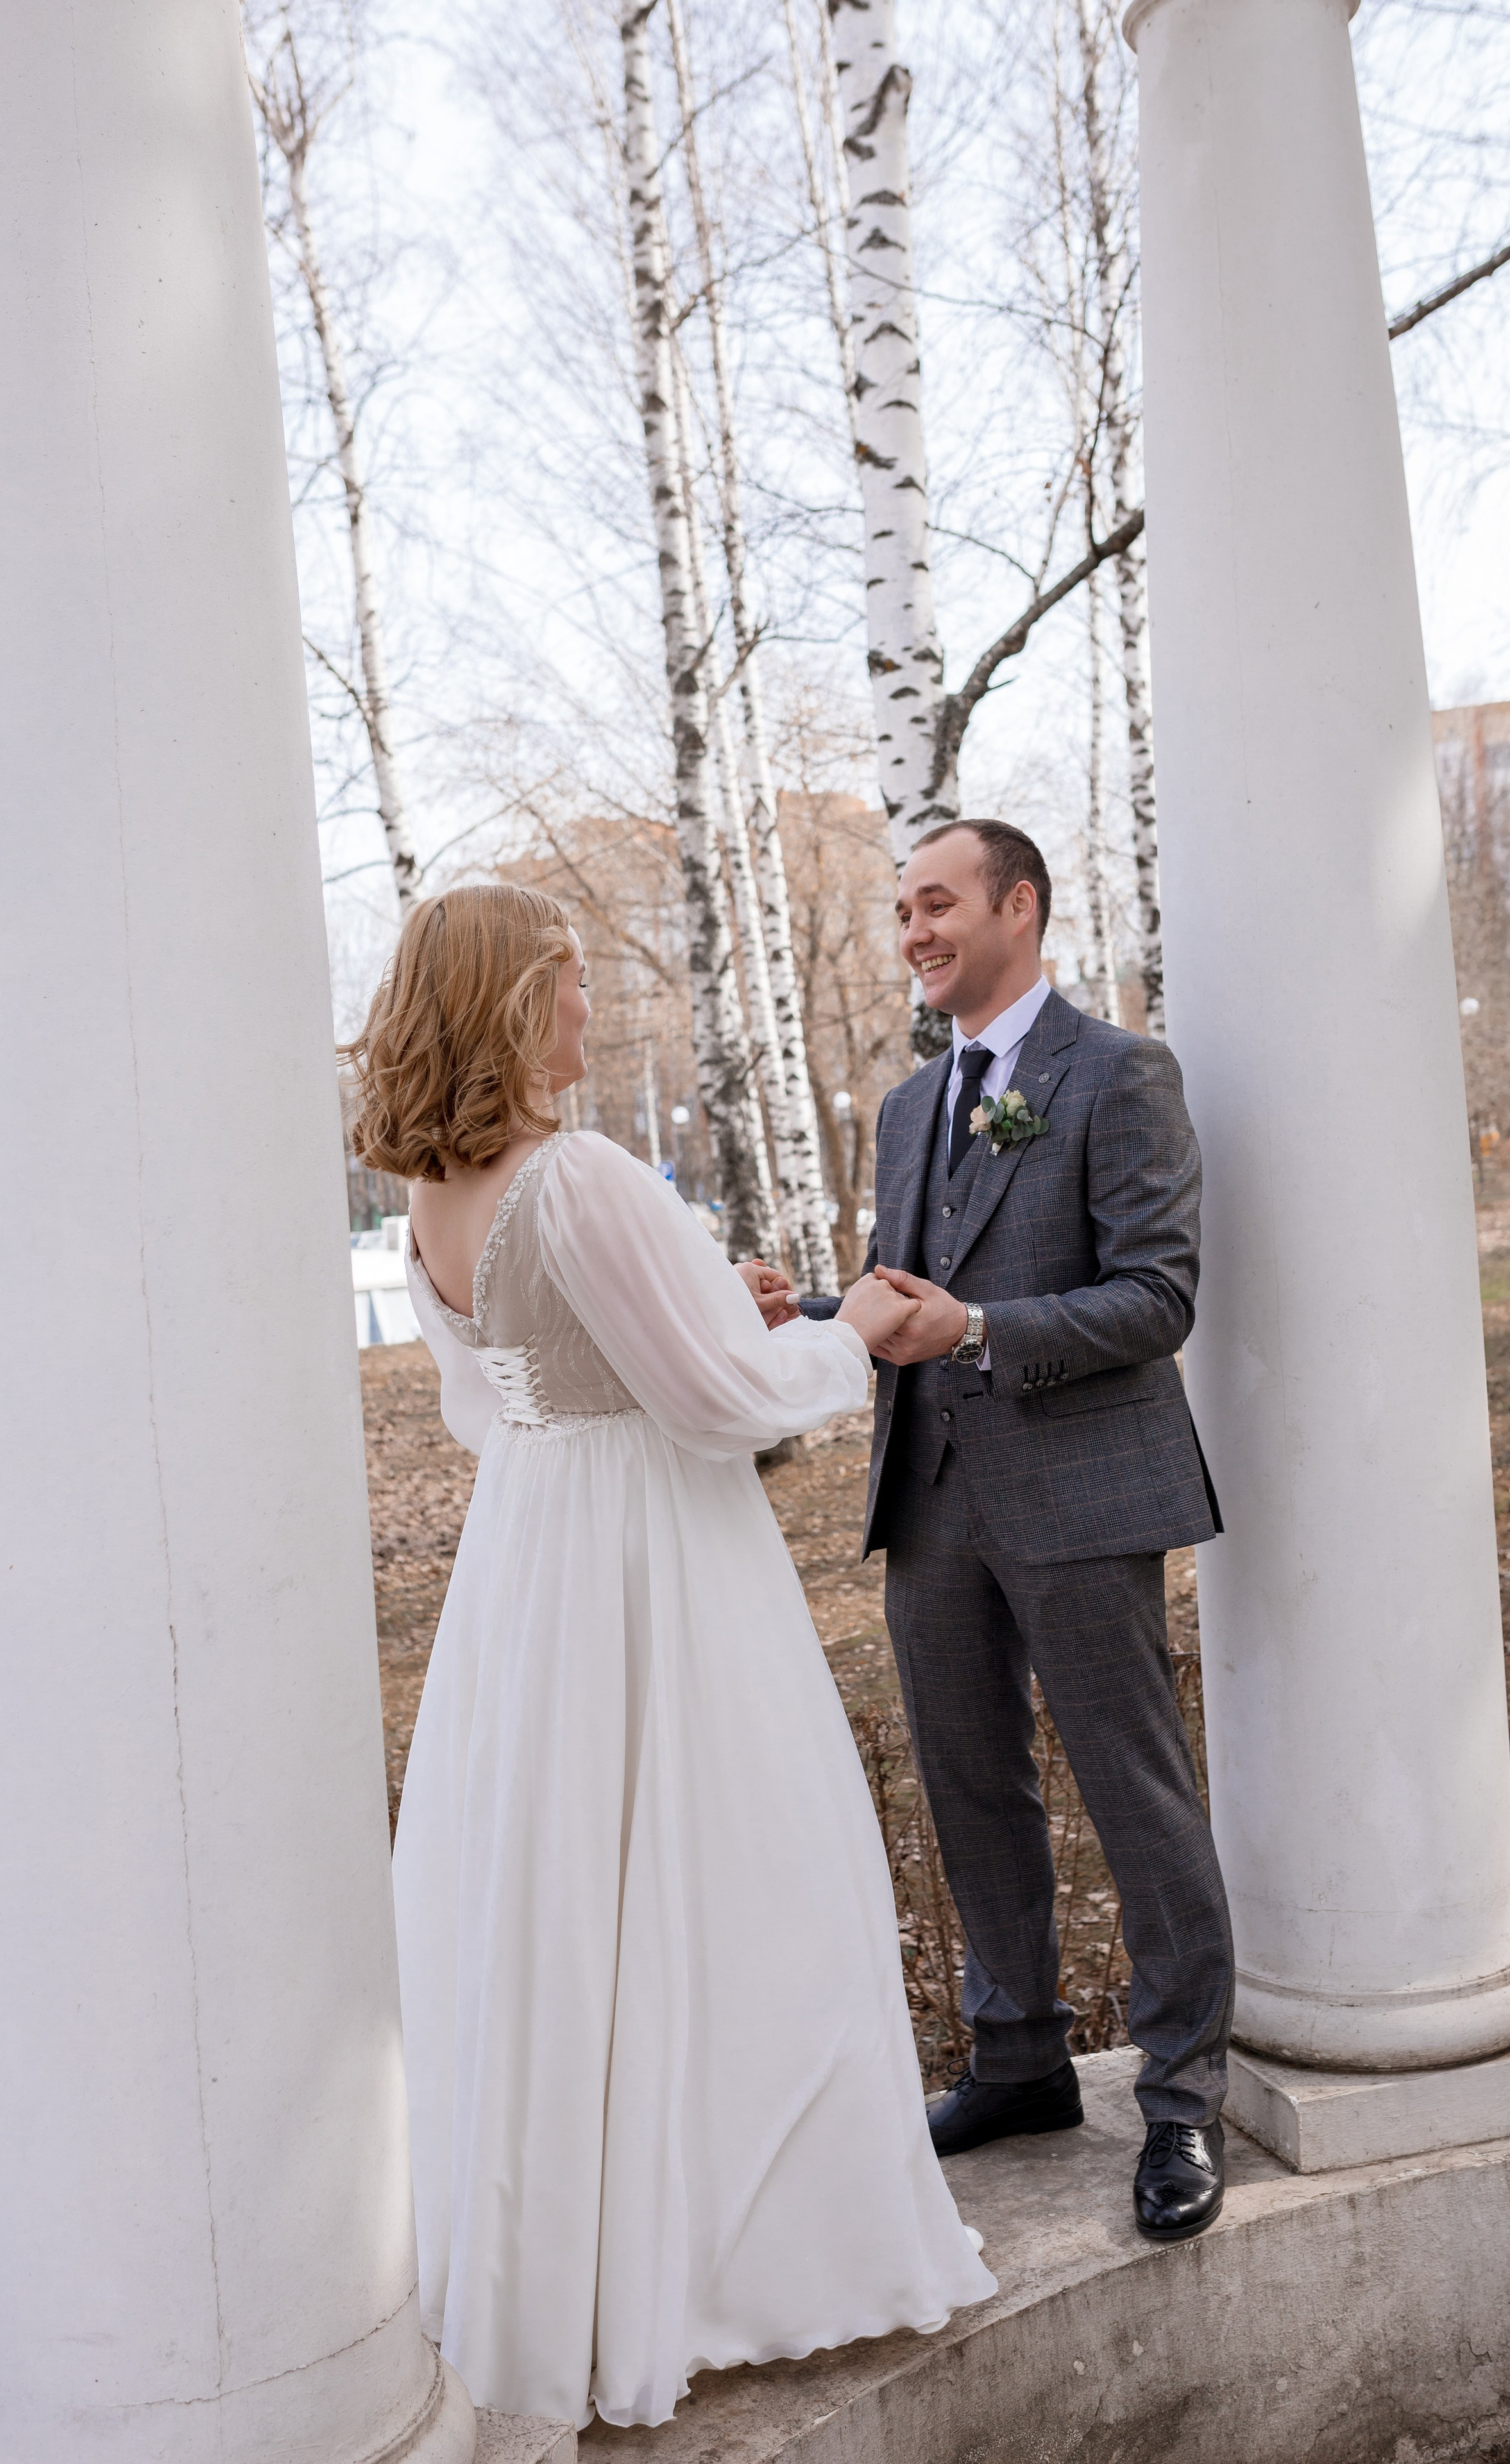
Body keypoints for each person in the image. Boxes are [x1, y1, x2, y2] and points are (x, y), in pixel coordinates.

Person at [345, 885, 994, 2433]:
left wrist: (716, 1308)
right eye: (571, 982)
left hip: (532, 1559)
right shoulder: (575, 1171)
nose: (590, 1009)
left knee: (563, 1891)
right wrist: (856, 1337)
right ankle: (733, 2257)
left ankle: (570, 2256)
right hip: (651, 1558)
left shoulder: (438, 1198)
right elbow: (715, 1403)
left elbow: (500, 1399)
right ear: (520, 1000)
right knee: (727, 1869)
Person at [796, 819, 1235, 2244]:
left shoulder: (1118, 1074)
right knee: (970, 1788)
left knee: (1134, 1793)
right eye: (902, 910)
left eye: (936, 903)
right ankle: (1017, 2061)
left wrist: (979, 1328)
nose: (913, 930)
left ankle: (1179, 2093)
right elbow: (901, 1292)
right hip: (929, 1502)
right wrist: (800, 1312)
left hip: (1081, 1497)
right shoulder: (908, 1106)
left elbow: (1155, 1298)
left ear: (1018, 907)